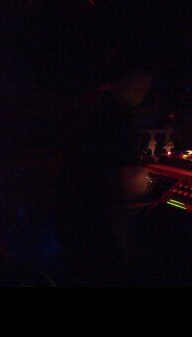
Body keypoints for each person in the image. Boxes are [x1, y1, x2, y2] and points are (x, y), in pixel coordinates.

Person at [55, 68, 154, 286]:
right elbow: (126, 183)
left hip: (72, 218)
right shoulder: (118, 113)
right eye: (146, 81)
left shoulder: (83, 104)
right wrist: (144, 180)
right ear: (133, 77)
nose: (146, 90)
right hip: (102, 227)